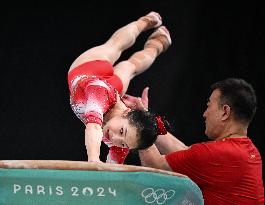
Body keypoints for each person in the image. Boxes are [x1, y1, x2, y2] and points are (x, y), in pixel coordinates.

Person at [123, 78, 264, 205]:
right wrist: (147, 118)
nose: (204, 114)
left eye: (209, 105)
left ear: (225, 112)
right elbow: (184, 152)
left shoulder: (218, 153)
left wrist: (140, 122)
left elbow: (154, 165)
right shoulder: (248, 152)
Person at [67, 11, 172, 164]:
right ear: (126, 113)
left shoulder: (124, 139)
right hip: (88, 69)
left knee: (132, 66)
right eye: (122, 131)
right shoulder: (99, 98)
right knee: (115, 45)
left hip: (112, 89)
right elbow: (94, 128)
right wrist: (94, 160)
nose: (115, 138)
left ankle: (157, 44)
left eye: (123, 143)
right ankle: (145, 21)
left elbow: (113, 169)